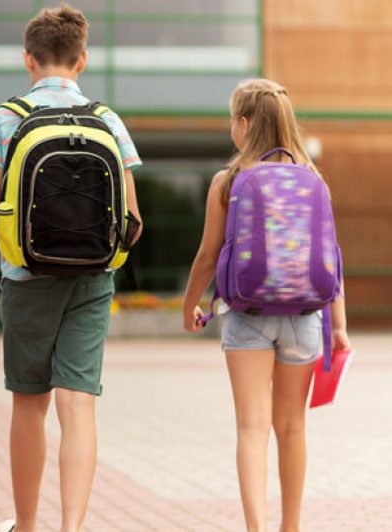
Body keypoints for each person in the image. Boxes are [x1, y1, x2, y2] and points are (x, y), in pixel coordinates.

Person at [0, 5, 143, 532]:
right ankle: (72, 526)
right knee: (78, 404)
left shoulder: (6, 118)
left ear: (28, 59)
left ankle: (26, 527)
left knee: (30, 403)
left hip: (26, 280)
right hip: (92, 280)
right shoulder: (107, 120)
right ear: (82, 60)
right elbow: (132, 217)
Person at [181, 78, 350, 532]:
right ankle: (290, 527)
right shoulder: (314, 178)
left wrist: (188, 306)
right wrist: (340, 326)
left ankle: (256, 528)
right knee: (292, 428)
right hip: (303, 318)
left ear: (243, 122)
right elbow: (331, 254)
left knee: (252, 429)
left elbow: (206, 254)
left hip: (246, 316)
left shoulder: (229, 179)